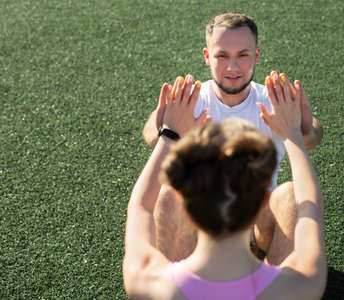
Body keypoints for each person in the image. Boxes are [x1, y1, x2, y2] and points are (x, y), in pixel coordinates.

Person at [123, 73, 326, 299]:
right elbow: (310, 205)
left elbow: (141, 206)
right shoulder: (297, 286)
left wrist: (168, 135)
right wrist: (293, 136)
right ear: (262, 201)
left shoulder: (149, 281)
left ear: (183, 198)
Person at [142, 13, 324, 263]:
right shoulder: (192, 100)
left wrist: (302, 127)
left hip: (258, 222)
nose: (232, 67)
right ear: (207, 57)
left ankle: (273, 288)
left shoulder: (273, 102)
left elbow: (312, 134)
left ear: (257, 55)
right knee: (168, 196)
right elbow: (151, 130)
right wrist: (170, 131)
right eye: (222, 56)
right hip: (201, 220)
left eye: (243, 55)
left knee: (291, 195)